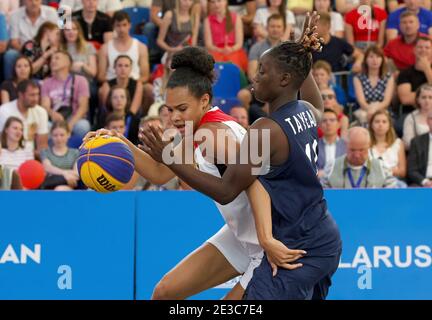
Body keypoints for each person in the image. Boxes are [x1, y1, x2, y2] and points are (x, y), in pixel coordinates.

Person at [141, 12, 342, 300]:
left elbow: (228, 189)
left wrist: (170, 158)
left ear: (284, 79)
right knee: (165, 292)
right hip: (318, 234)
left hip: (295, 244)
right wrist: (303, 56)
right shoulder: (305, 112)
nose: (254, 76)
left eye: (263, 71)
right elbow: (312, 99)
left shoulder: (266, 130)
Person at [321, 127, 398, 188]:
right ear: (346, 146)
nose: (357, 155)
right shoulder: (332, 166)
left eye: (361, 150)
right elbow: (322, 194)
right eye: (352, 150)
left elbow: (392, 195)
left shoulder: (382, 167)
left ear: (369, 146)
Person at [41, 51, 91, 145]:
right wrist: (52, 114)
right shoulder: (46, 83)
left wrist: (69, 125)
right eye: (51, 59)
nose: (53, 61)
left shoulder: (80, 80)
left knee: (83, 126)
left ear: (67, 62)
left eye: (57, 58)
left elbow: (83, 107)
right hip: (55, 120)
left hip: (74, 118)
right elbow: (45, 105)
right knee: (45, 126)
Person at [4, 0, 58, 80]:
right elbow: (14, 42)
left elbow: (61, 35)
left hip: (47, 49)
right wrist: (30, 51)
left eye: (36, 0)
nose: (34, 3)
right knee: (10, 55)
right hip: (23, 51)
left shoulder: (52, 12)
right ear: (23, 1)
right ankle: (11, 86)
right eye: (30, 0)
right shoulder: (14, 15)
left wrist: (43, 52)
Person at [98, 11, 150, 85]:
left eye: (124, 25)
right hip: (113, 85)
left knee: (149, 90)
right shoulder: (105, 48)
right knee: (102, 91)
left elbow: (145, 76)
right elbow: (100, 76)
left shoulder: (141, 47)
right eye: (118, 25)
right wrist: (119, 83)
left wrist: (130, 84)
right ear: (113, 27)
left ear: (130, 25)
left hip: (134, 83)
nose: (121, 29)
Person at [0, 80, 49, 154]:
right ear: (21, 95)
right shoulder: (4, 110)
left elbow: (42, 145)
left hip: (30, 156)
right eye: (32, 95)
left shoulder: (41, 112)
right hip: (7, 155)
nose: (36, 99)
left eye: (37, 94)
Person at [353, 46, 394, 126]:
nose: (375, 60)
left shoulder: (388, 77)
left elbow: (386, 102)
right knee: (365, 120)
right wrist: (370, 110)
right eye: (371, 57)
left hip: (383, 109)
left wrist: (374, 110)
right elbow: (362, 102)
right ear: (366, 60)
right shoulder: (358, 78)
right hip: (364, 110)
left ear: (382, 60)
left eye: (378, 57)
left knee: (381, 120)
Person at [204, 0, 248, 72]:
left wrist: (231, 49)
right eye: (213, 2)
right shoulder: (207, 20)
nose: (216, 4)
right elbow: (208, 44)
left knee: (234, 63)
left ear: (226, 2)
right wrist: (219, 50)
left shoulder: (236, 17)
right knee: (214, 64)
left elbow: (239, 43)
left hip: (233, 50)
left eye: (219, 1)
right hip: (215, 50)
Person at [368, 110, 407, 185]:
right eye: (377, 122)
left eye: (384, 122)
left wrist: (387, 171)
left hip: (394, 181)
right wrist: (391, 170)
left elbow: (402, 172)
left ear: (389, 125)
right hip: (371, 181)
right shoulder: (365, 144)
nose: (380, 124)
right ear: (371, 125)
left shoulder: (398, 143)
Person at [40, 121, 80, 190]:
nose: (59, 138)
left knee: (60, 189)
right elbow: (47, 167)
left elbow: (77, 173)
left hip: (69, 185)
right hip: (50, 186)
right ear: (51, 136)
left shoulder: (75, 153)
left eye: (62, 135)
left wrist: (59, 173)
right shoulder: (45, 152)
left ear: (68, 134)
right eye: (55, 135)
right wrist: (65, 174)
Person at [397, 36, 432, 112]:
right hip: (411, 113)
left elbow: (410, 97)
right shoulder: (405, 73)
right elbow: (405, 99)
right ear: (414, 50)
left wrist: (427, 70)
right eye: (420, 47)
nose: (423, 50)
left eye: (427, 48)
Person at [317, 108, 346, 178]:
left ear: (339, 124)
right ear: (320, 126)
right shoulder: (314, 145)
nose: (328, 123)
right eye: (324, 121)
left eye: (332, 120)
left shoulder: (347, 146)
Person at [407, 109, 432, 187]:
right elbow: (412, 170)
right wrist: (425, 182)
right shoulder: (416, 142)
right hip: (423, 182)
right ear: (427, 121)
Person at [403, 84, 432, 149]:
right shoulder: (411, 118)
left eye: (430, 97)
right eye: (424, 97)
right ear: (418, 99)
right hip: (419, 154)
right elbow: (408, 142)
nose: (427, 101)